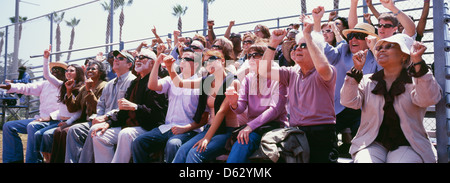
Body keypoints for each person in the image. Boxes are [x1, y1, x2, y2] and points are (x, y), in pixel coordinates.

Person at [341, 34, 441, 163]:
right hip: (372, 142)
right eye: (379, 48)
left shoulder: (418, 80)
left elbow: (428, 99)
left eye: (389, 46)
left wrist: (417, 61)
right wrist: (356, 71)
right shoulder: (367, 80)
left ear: (404, 55)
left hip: (408, 144)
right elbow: (348, 102)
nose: (381, 50)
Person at [260, 7, 338, 163]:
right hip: (296, 133)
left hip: (321, 132)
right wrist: (273, 44)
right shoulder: (291, 72)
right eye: (296, 46)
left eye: (304, 46)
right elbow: (263, 71)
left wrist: (308, 35)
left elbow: (322, 66)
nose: (297, 49)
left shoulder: (325, 71)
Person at [91, 49, 168, 163]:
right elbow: (123, 112)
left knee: (125, 134)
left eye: (143, 57)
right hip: (130, 125)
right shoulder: (135, 83)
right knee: (99, 135)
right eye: (137, 57)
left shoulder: (158, 83)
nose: (138, 60)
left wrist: (136, 107)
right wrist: (108, 123)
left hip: (148, 127)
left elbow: (158, 116)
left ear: (152, 63)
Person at [65, 50, 136, 163]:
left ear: (129, 65)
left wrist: (105, 118)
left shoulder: (132, 81)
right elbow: (101, 104)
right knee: (74, 130)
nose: (116, 59)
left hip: (118, 122)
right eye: (115, 57)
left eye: (121, 58)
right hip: (101, 119)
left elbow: (124, 108)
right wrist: (99, 116)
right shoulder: (110, 84)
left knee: (94, 130)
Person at [131, 50, 202, 163]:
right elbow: (152, 85)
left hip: (189, 130)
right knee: (138, 142)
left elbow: (204, 117)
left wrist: (185, 128)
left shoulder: (200, 83)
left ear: (197, 64)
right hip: (167, 128)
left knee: (173, 144)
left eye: (187, 59)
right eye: (181, 59)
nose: (182, 62)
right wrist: (157, 62)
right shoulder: (171, 79)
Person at [171, 50, 240, 163]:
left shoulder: (232, 82)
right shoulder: (207, 82)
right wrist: (170, 67)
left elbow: (221, 112)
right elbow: (179, 83)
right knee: (183, 150)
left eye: (211, 59)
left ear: (222, 61)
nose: (208, 63)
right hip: (209, 128)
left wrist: (206, 138)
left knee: (195, 154)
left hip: (226, 131)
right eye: (205, 62)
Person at [225, 44, 289, 163]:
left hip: (274, 126)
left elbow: (275, 110)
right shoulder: (248, 78)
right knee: (243, 140)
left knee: (244, 140)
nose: (251, 59)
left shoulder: (278, 76)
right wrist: (234, 103)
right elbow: (240, 108)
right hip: (254, 128)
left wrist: (250, 126)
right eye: (249, 56)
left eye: (256, 55)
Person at [1, 61, 66, 163]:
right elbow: (27, 87)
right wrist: (9, 86)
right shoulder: (45, 84)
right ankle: (13, 160)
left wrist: (50, 116)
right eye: (53, 69)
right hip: (41, 119)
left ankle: (33, 161)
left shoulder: (66, 86)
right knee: (8, 126)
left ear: (65, 73)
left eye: (58, 70)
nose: (54, 72)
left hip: (56, 121)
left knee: (32, 126)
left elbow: (66, 109)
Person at [29, 45, 85, 163]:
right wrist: (46, 58)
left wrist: (68, 122)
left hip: (71, 121)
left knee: (47, 135)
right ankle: (47, 160)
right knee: (38, 134)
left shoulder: (81, 88)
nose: (68, 72)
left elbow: (79, 111)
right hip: (61, 120)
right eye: (67, 70)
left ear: (78, 73)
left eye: (71, 70)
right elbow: (47, 75)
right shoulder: (62, 86)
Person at [49, 60, 108, 163]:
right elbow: (73, 108)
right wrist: (68, 90)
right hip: (83, 121)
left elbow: (98, 109)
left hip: (97, 121)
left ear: (101, 72)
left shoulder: (104, 86)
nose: (90, 70)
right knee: (58, 131)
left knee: (68, 131)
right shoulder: (84, 88)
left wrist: (90, 91)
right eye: (88, 68)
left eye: (93, 68)